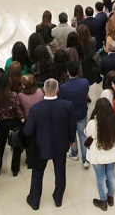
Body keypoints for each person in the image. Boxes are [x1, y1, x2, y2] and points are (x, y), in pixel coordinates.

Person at [23, 79, 75, 209]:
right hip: (61, 145)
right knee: (60, 172)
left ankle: (34, 201)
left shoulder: (35, 109)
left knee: (38, 173)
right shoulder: (67, 105)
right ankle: (58, 199)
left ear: (44, 90)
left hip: (41, 147)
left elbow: (28, 131)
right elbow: (71, 126)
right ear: (57, 89)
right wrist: (71, 140)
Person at [85, 98, 115, 211]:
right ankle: (111, 197)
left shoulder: (92, 123)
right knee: (111, 174)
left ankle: (103, 201)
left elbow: (86, 133)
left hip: (97, 154)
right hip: (111, 152)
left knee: (100, 177)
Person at [0, 72, 23, 177]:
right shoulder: (13, 95)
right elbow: (18, 110)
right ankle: (15, 169)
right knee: (16, 145)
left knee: (1, 145)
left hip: (2, 123)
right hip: (14, 122)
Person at [60, 61, 91, 168]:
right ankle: (85, 159)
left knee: (71, 136)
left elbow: (61, 101)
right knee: (83, 135)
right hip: (82, 112)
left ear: (67, 71)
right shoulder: (85, 82)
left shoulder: (63, 87)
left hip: (70, 116)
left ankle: (74, 153)